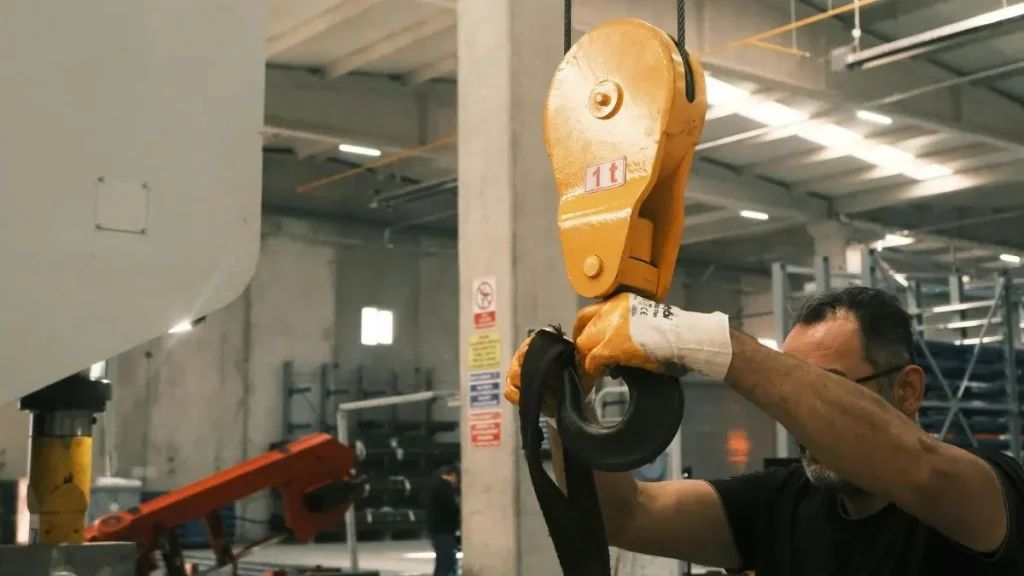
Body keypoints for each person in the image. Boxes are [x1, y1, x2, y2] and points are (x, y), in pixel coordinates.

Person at [504, 286, 1024, 574]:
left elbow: (915, 467)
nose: (798, 417)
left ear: (908, 390)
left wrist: (703, 341)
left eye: (825, 387)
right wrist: (566, 405)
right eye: (791, 392)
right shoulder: (781, 506)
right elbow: (624, 515)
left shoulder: (982, 493)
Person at [426, 464, 460, 576]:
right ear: (453, 475)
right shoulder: (444, 488)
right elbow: (452, 508)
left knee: (442, 563)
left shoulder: (436, 485)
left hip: (437, 530)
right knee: (447, 563)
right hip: (443, 531)